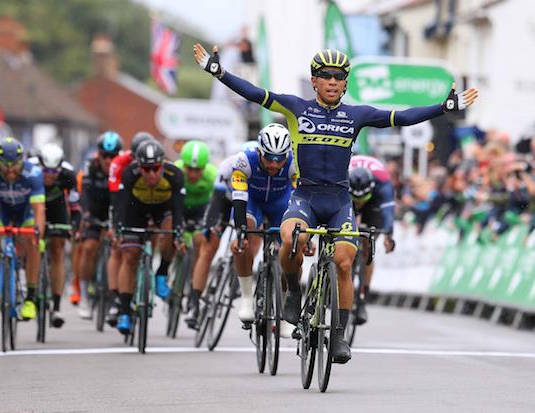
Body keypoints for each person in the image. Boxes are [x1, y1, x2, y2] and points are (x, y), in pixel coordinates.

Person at [194, 44, 479, 363]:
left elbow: (402, 117)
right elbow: (254, 93)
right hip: (305, 196)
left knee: (345, 260)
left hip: (339, 200)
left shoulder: (356, 115)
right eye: (325, 76)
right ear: (314, 81)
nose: (332, 81)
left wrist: (443, 107)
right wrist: (218, 72)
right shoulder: (295, 108)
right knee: (291, 239)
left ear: (346, 83)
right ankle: (294, 291)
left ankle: (340, 336)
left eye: (339, 77)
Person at [114, 140, 186, 334]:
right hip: (136, 211)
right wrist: (118, 229)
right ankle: (124, 311)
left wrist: (178, 233)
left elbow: (179, 208)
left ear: (162, 165)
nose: (151, 174)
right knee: (129, 256)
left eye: (155, 168)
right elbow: (121, 205)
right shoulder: (130, 173)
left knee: (171, 231)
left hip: (163, 210)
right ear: (139, 167)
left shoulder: (175, 175)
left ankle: (161, 274)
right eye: (146, 169)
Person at [229, 123, 296, 328]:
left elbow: (300, 199)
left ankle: (285, 307)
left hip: (280, 204)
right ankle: (247, 298)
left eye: (279, 159)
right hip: (252, 203)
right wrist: (241, 232)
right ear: (259, 151)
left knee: (292, 248)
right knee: (243, 239)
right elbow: (239, 197)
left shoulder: (295, 164)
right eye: (269, 158)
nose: (275, 165)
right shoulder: (244, 160)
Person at [184, 141, 257, 330]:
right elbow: (215, 200)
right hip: (225, 202)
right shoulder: (227, 166)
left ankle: (238, 275)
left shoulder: (260, 168)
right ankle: (194, 302)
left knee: (252, 239)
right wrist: (210, 227)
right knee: (208, 248)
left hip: (249, 204)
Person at [0, 137, 45, 320]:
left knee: (32, 241)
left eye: (15, 165)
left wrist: (39, 233)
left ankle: (30, 296)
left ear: (22, 161)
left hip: (25, 212)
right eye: (5, 165)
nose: (11, 169)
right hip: (0, 211)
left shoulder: (34, 173)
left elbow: (39, 210)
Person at [28, 143, 81, 328]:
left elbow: (75, 207)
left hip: (56, 208)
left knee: (57, 250)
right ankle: (29, 291)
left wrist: (73, 226)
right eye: (46, 171)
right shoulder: (28, 169)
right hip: (32, 207)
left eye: (54, 171)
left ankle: (57, 306)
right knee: (29, 244)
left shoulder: (68, 175)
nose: (49, 175)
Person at [106, 131, 156, 326]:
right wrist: (116, 226)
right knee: (118, 248)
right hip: (123, 202)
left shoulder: (155, 163)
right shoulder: (119, 163)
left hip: (148, 202)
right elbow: (117, 199)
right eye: (136, 158)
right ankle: (115, 298)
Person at [76, 131, 122, 319]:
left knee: (117, 250)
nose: (109, 160)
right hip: (94, 211)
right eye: (105, 156)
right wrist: (86, 215)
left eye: (113, 156)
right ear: (98, 155)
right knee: (88, 248)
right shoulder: (90, 167)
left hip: (114, 211)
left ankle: (114, 294)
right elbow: (84, 194)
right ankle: (85, 295)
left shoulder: (122, 168)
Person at [172, 141, 218, 328]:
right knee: (173, 239)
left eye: (197, 169)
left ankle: (193, 290)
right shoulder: (175, 172)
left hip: (201, 212)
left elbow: (216, 204)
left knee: (200, 242)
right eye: (189, 168)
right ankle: (174, 271)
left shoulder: (212, 176)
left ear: (204, 167)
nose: (192, 174)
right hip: (180, 209)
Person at [348, 155, 397, 325]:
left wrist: (389, 234)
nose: (360, 202)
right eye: (357, 199)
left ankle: (362, 298)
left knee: (368, 244)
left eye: (363, 199)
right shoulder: (343, 176)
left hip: (374, 203)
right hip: (347, 198)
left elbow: (388, 211)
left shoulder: (382, 183)